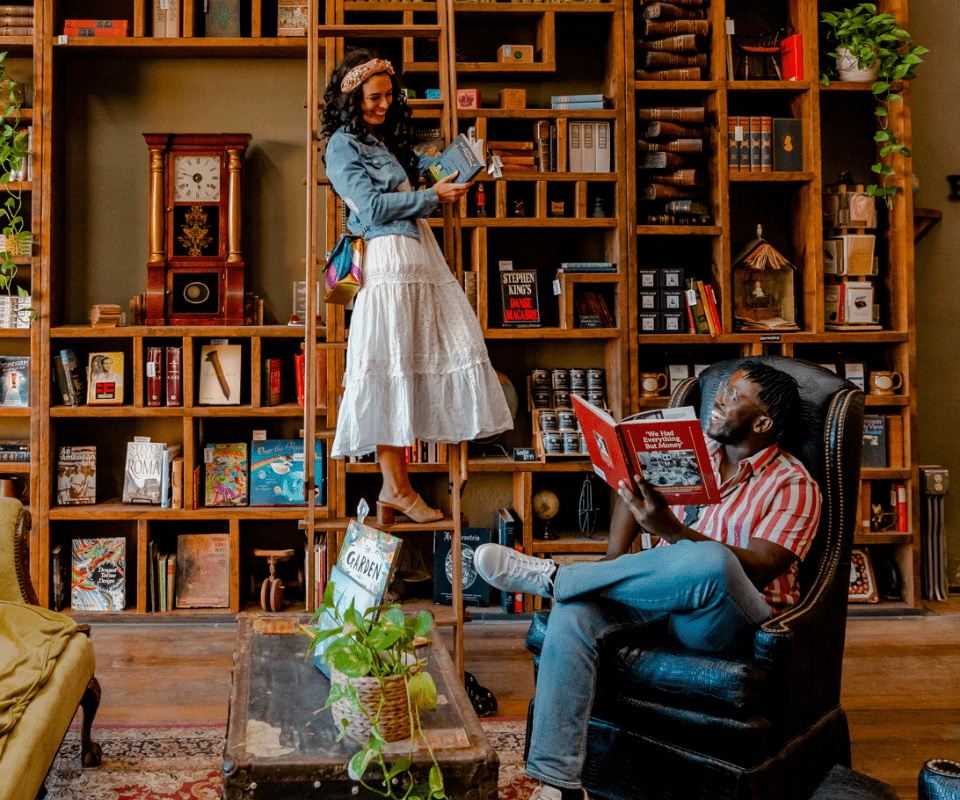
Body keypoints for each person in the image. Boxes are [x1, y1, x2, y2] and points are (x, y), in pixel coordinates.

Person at [474, 360, 822, 800]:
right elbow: (633, 491)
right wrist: (615, 562)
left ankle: (562, 576)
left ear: (764, 422)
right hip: (658, 596)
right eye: (723, 391)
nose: (718, 399)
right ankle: (557, 784)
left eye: (734, 397)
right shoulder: (694, 455)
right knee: (574, 611)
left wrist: (672, 531)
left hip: (727, 618)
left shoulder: (794, 485)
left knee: (712, 560)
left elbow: (759, 568)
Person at [321, 49, 512, 524]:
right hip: (388, 264)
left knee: (411, 364)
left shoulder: (381, 141)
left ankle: (395, 487)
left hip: (416, 257)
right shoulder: (343, 145)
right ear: (351, 98)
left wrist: (440, 176)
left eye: (389, 96)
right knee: (389, 367)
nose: (384, 105)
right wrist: (432, 195)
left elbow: (406, 186)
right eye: (374, 98)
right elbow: (367, 207)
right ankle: (397, 487)